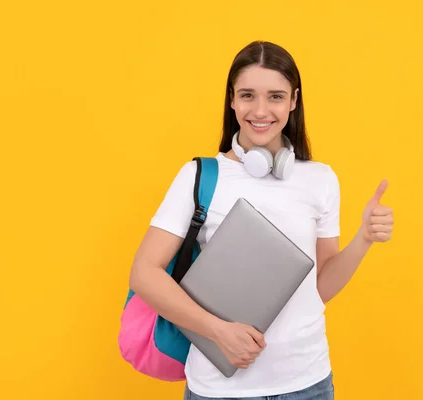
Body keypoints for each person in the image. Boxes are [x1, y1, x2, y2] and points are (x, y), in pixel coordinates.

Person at [128, 40, 394, 400]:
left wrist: (363, 240)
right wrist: (218, 331)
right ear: (232, 100)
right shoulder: (200, 176)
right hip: (219, 390)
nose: (261, 110)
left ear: (294, 101)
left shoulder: (320, 179)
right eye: (248, 95)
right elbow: (144, 273)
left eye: (276, 96)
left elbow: (318, 289)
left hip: (309, 384)